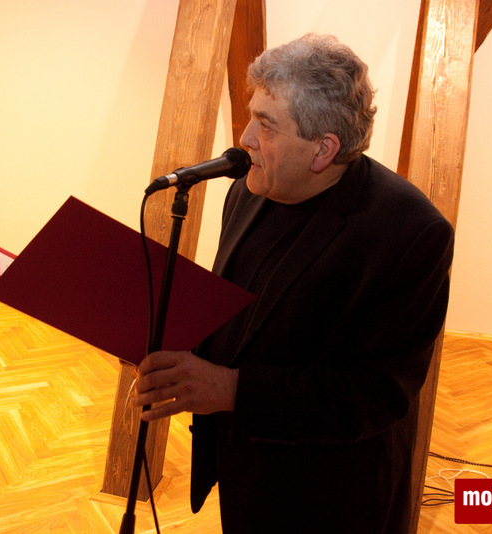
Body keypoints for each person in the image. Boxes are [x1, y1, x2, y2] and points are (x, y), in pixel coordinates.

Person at [132, 34, 454, 533]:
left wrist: (231, 389)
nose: (245, 139)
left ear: (323, 149)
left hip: (331, 496)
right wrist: (160, 336)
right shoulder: (250, 188)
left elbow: (375, 395)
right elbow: (240, 315)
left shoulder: (411, 233)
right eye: (251, 117)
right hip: (247, 468)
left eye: (266, 125)